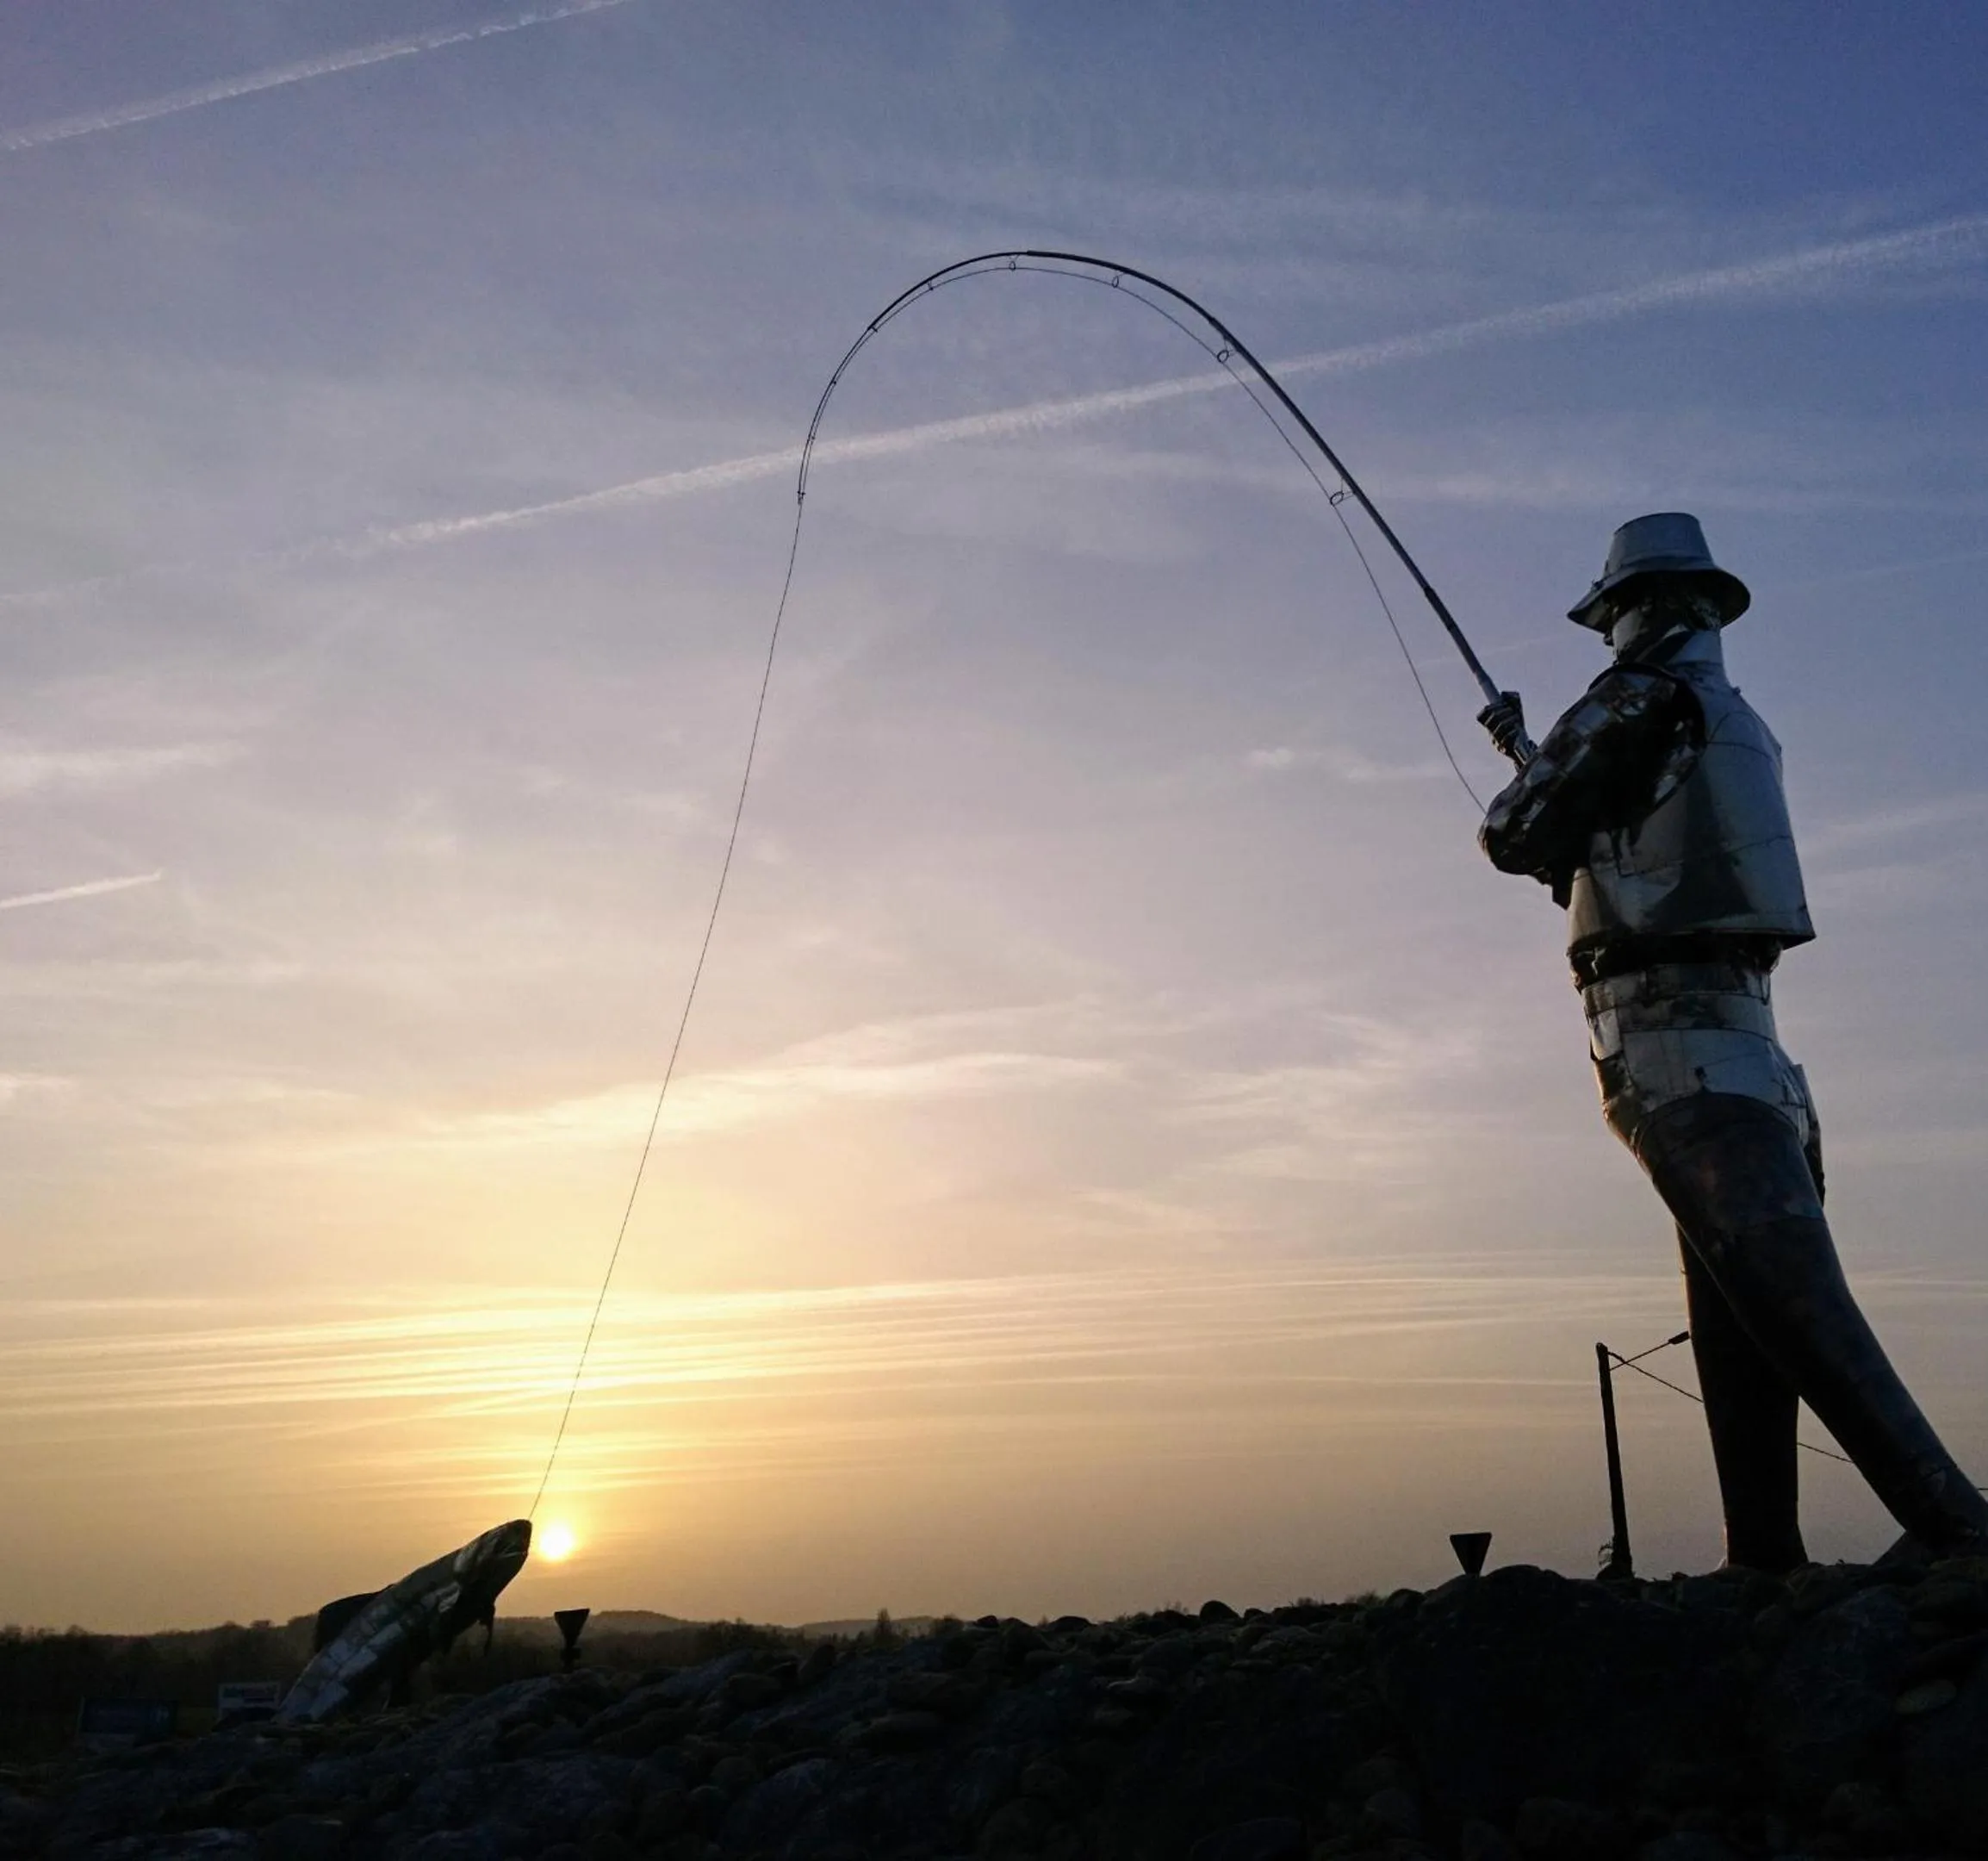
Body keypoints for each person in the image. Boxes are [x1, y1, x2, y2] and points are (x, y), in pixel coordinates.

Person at [1475, 512, 1987, 1572]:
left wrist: (1529, 769)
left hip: (1670, 1048)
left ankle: (1953, 1525)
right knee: (1740, 1308)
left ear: (1622, 613)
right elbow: (1635, 838)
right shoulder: (1735, 717)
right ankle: (1763, 1555)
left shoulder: (1631, 698)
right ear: (1709, 605)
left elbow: (1515, 835)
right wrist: (1543, 762)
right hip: (1761, 1053)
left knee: (1796, 1316)